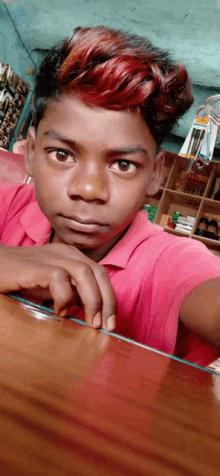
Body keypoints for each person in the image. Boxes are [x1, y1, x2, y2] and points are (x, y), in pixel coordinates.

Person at [1, 26, 220, 367]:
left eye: (122, 164)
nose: (88, 190)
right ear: (30, 152)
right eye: (62, 155)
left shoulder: (170, 262)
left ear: (156, 174)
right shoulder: (8, 207)